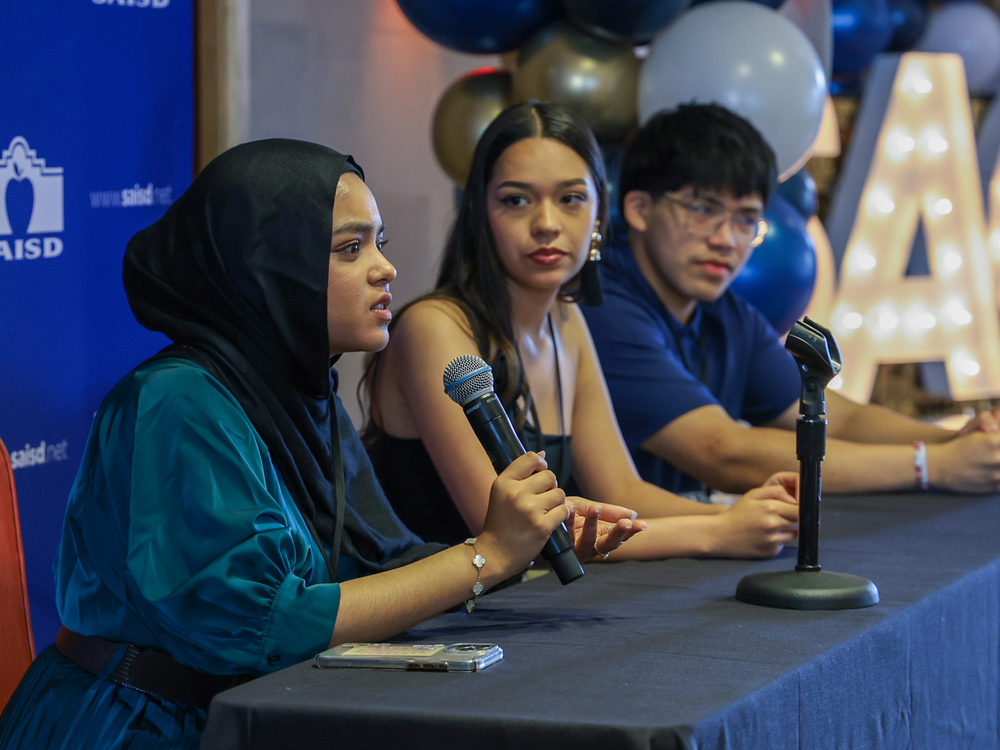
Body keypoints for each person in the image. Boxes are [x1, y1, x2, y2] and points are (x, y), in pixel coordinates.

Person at [0, 139, 640, 750]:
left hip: (259, 715)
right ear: (268, 265)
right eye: (350, 248)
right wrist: (488, 554)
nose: (385, 267)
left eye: (379, 242)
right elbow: (269, 627)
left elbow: (371, 569)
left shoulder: (299, 396)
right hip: (141, 726)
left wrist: (525, 542)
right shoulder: (177, 400)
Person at [362, 102, 800, 562]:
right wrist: (717, 532)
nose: (547, 224)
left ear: (598, 215)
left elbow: (623, 490)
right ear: (479, 212)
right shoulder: (434, 327)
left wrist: (747, 516)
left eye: (570, 199)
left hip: (524, 598)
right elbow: (512, 530)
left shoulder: (566, 320)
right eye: (516, 200)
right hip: (437, 604)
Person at [581, 102, 1000, 498]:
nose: (726, 239)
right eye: (703, 210)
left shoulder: (720, 310)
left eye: (746, 219)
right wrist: (930, 465)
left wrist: (954, 441)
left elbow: (836, 418)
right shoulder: (600, 307)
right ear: (639, 209)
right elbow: (723, 452)